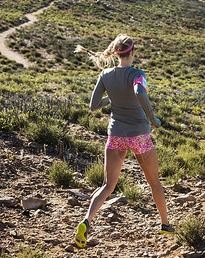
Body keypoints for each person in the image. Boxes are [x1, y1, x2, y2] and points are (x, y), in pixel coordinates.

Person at [75, 34, 175, 248]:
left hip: (116, 135)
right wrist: (153, 120)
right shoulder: (138, 74)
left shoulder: (105, 74)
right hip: (139, 135)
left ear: (117, 52)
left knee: (107, 185)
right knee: (154, 182)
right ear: (132, 52)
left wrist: (111, 97)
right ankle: (165, 224)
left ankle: (86, 220)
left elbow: (93, 106)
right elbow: (139, 91)